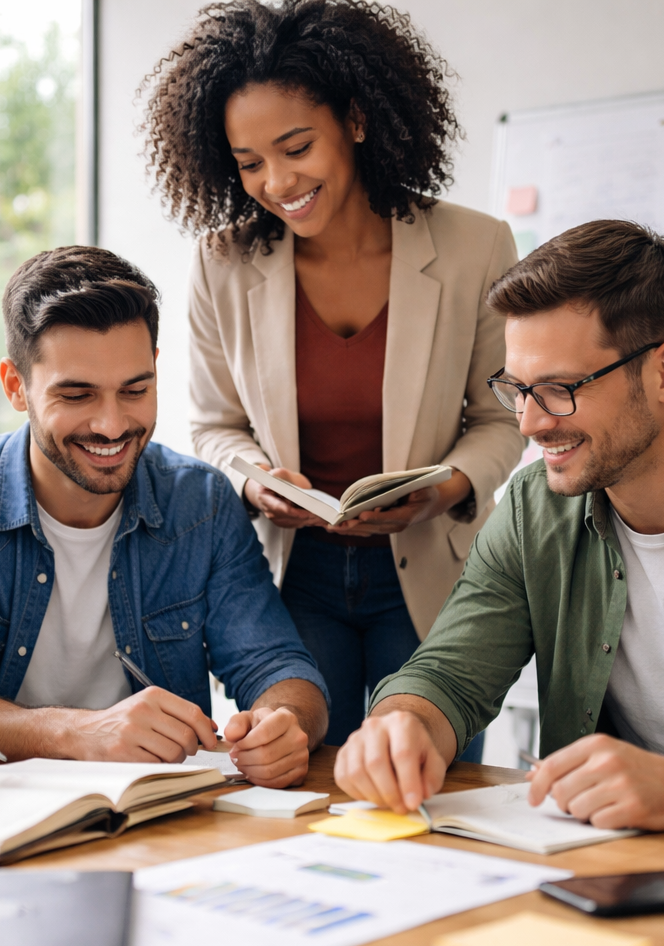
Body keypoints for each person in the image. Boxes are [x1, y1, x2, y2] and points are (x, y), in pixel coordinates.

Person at [142, 0, 524, 747]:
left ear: (355, 119)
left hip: (429, 570)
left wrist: (444, 488)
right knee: (303, 772)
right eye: (250, 163)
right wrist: (254, 481)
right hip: (297, 574)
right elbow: (216, 424)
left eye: (296, 148)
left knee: (424, 778)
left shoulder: (475, 246)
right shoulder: (222, 263)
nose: (277, 181)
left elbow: (503, 414)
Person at [334, 220, 664, 835]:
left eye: (560, 389)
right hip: (611, 858)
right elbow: (449, 675)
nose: (530, 424)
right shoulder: (531, 508)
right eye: (517, 389)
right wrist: (403, 724)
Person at [0, 246, 330, 788]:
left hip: (158, 812)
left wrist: (285, 722)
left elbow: (277, 665)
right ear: (16, 386)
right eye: (77, 395)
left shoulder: (200, 503)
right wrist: (78, 733)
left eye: (135, 390)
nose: (111, 426)